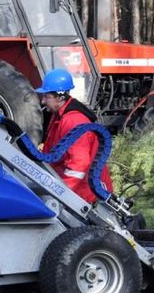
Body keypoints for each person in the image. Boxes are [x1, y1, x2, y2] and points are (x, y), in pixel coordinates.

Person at [36, 68, 113, 204]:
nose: (43, 101)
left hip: (84, 195)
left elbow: (79, 164)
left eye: (47, 97)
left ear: (60, 97)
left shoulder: (74, 121)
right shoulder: (59, 116)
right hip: (76, 190)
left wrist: (61, 193)